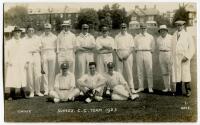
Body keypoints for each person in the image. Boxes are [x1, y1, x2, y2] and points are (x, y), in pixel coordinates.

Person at [171, 20, 195, 97]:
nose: (179, 27)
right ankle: (178, 91)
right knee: (177, 73)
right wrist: (172, 57)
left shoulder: (187, 35)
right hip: (176, 57)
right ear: (176, 26)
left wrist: (187, 56)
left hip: (184, 56)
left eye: (181, 25)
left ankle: (188, 91)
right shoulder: (174, 34)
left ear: (183, 26)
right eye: (178, 25)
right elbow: (172, 47)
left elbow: (192, 48)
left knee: (185, 73)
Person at [5, 26, 28, 101]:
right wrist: (8, 61)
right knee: (12, 78)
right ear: (13, 33)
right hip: (13, 63)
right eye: (16, 32)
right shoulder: (9, 42)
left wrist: (27, 62)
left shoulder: (24, 42)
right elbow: (5, 53)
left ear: (20, 33)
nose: (17, 33)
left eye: (19, 32)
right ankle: (12, 94)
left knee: (22, 77)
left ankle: (23, 93)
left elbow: (26, 53)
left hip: (22, 62)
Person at [114, 23, 136, 94]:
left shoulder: (129, 36)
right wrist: (118, 56)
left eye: (124, 27)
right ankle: (120, 88)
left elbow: (132, 47)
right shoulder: (117, 36)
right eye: (122, 27)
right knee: (119, 72)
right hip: (119, 54)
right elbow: (115, 48)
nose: (123, 29)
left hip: (128, 54)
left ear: (126, 28)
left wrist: (127, 55)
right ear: (120, 28)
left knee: (129, 72)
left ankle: (131, 88)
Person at [24, 25, 44, 97]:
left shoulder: (38, 38)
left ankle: (38, 91)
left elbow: (40, 48)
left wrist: (41, 58)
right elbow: (23, 50)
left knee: (38, 74)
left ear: (34, 31)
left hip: (36, 55)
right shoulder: (24, 39)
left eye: (32, 30)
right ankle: (32, 91)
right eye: (29, 30)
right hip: (28, 56)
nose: (31, 32)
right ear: (27, 31)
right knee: (30, 75)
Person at [134, 23, 155, 93]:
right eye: (142, 28)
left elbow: (153, 46)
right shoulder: (136, 37)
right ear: (140, 29)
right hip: (139, 53)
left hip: (147, 53)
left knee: (149, 70)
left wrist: (149, 52)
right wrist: (138, 51)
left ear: (147, 29)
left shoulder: (150, 37)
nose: (143, 29)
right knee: (139, 71)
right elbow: (135, 47)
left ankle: (150, 87)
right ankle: (141, 87)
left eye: (144, 28)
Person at [40, 23, 57, 95]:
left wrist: (53, 53)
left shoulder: (54, 37)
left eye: (49, 28)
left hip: (52, 53)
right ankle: (46, 89)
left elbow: (56, 47)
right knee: (45, 72)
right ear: (44, 29)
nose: (47, 30)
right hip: (44, 54)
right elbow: (40, 48)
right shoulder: (41, 37)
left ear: (51, 29)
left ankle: (51, 89)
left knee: (52, 72)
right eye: (46, 28)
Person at [157, 25, 173, 92]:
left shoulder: (171, 37)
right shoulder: (158, 39)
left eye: (164, 30)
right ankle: (167, 87)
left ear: (166, 31)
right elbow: (158, 47)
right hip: (161, 54)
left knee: (171, 72)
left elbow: (174, 48)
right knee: (164, 72)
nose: (162, 31)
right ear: (160, 31)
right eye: (161, 30)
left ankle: (172, 88)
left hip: (169, 54)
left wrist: (172, 56)